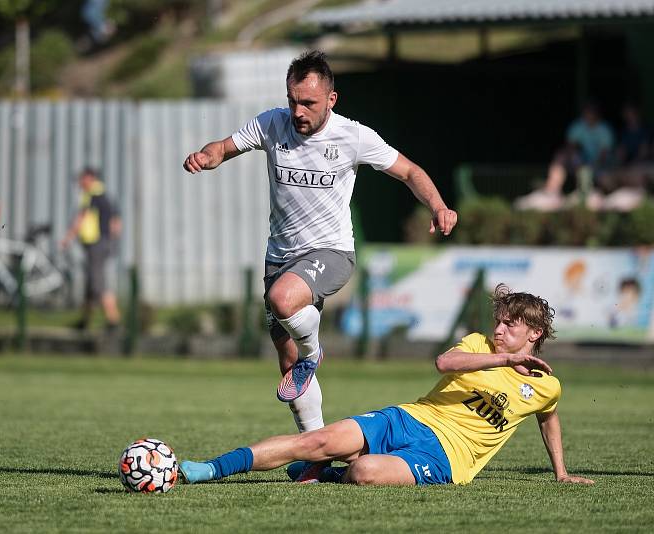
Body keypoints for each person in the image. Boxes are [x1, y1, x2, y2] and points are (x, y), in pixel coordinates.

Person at [183, 50, 457, 434]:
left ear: (331, 99)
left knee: (284, 302)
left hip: (331, 252)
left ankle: (314, 351)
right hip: (279, 256)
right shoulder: (272, 124)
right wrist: (206, 156)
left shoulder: (353, 136)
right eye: (293, 101)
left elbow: (410, 171)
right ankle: (314, 450)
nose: (298, 112)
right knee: (287, 362)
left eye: (308, 103)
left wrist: (438, 205)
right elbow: (225, 147)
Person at [179, 284, 594, 487]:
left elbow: (548, 418)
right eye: (499, 320)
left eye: (510, 324)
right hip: (408, 418)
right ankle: (210, 469)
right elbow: (444, 362)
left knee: (363, 473)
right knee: (316, 441)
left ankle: (324, 476)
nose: (499, 328)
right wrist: (504, 356)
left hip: (447, 458)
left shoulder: (546, 386)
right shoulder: (480, 346)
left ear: (535, 332)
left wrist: (561, 472)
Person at [516, 102, 614, 211]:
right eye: (586, 112)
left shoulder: (604, 130)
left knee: (601, 179)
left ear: (596, 114)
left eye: (590, 112)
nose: (588, 115)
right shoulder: (578, 126)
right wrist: (576, 160)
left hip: (599, 168)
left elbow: (604, 155)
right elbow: (570, 147)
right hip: (579, 166)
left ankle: (593, 193)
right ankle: (551, 190)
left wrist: (591, 168)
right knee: (561, 156)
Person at [60, 167, 122, 333]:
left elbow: (81, 219)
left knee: (98, 283)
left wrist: (67, 238)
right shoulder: (105, 195)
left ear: (90, 178)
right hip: (101, 244)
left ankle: (113, 320)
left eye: (82, 179)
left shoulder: (93, 195)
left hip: (97, 245)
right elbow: (116, 223)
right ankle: (85, 321)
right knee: (91, 284)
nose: (80, 183)